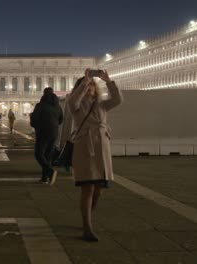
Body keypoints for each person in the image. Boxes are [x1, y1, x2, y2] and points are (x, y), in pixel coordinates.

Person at [68, 69, 123, 242]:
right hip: (85, 147)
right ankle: (87, 227)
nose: (90, 86)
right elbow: (73, 101)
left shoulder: (101, 103)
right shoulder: (76, 105)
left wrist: (108, 81)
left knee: (98, 190)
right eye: (87, 85)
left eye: (92, 84)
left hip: (101, 147)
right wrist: (84, 82)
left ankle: (87, 218)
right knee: (88, 188)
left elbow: (118, 100)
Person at [32, 87, 63, 185]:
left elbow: (34, 118)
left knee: (38, 154)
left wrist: (37, 126)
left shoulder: (40, 105)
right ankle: (45, 178)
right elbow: (61, 119)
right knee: (48, 155)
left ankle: (50, 172)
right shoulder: (58, 106)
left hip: (43, 132)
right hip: (54, 132)